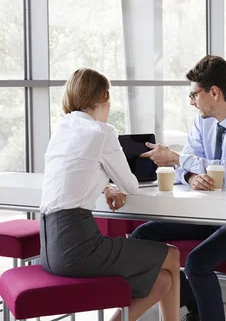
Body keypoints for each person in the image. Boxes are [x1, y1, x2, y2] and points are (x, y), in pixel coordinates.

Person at [131, 55, 226, 321]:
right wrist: (188, 176)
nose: (191, 101)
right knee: (141, 238)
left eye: (193, 94)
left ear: (214, 92)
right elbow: (188, 168)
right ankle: (198, 309)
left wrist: (177, 159)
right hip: (208, 215)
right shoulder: (203, 122)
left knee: (198, 262)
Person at [40, 68, 181, 321]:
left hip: (50, 248)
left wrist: (106, 185)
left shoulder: (63, 127)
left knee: (162, 280)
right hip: (78, 246)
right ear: (105, 96)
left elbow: (74, 175)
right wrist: (116, 185)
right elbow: (131, 186)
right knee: (171, 255)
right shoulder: (102, 132)